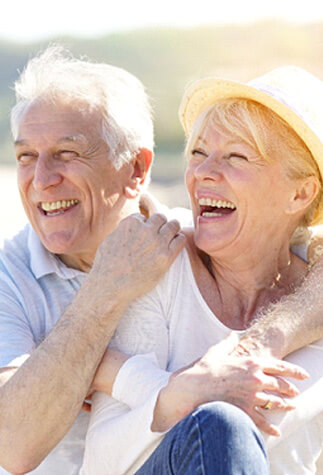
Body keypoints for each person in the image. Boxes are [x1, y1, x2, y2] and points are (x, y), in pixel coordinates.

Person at [0, 47, 323, 474]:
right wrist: (106, 291)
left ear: (136, 170)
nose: (41, 180)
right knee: (221, 425)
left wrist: (256, 345)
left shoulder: (179, 251)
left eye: (67, 153)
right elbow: (14, 446)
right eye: (25, 157)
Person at [81, 66, 323, 474]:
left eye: (236, 156)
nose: (203, 172)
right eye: (198, 153)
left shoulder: (313, 297)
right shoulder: (162, 264)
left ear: (299, 193)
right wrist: (181, 395)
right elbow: (102, 462)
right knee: (221, 426)